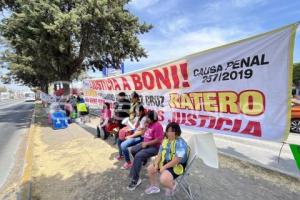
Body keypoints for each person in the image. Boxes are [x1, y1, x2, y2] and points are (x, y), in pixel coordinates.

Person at [145, 122, 189, 197]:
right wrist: (156, 164)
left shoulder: (181, 143)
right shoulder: (166, 140)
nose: (169, 133)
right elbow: (160, 153)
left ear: (177, 132)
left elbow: (177, 160)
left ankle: (172, 187)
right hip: (165, 161)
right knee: (150, 169)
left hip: (177, 165)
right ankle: (154, 187)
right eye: (168, 131)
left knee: (164, 179)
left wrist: (164, 167)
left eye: (172, 131)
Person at [127, 110, 164, 191]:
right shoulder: (149, 124)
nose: (147, 118)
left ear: (153, 118)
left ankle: (135, 180)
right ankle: (142, 161)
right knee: (133, 150)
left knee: (138, 155)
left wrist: (147, 144)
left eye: (148, 118)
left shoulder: (157, 126)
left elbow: (159, 139)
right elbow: (144, 132)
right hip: (146, 144)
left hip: (154, 147)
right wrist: (145, 126)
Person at [116, 105, 147, 169]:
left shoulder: (144, 119)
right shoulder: (137, 117)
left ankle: (129, 162)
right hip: (135, 134)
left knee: (123, 145)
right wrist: (129, 129)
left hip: (141, 137)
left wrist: (130, 136)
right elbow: (134, 127)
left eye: (137, 111)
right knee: (119, 140)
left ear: (141, 111)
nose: (136, 112)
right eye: (135, 111)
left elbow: (141, 132)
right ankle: (121, 155)